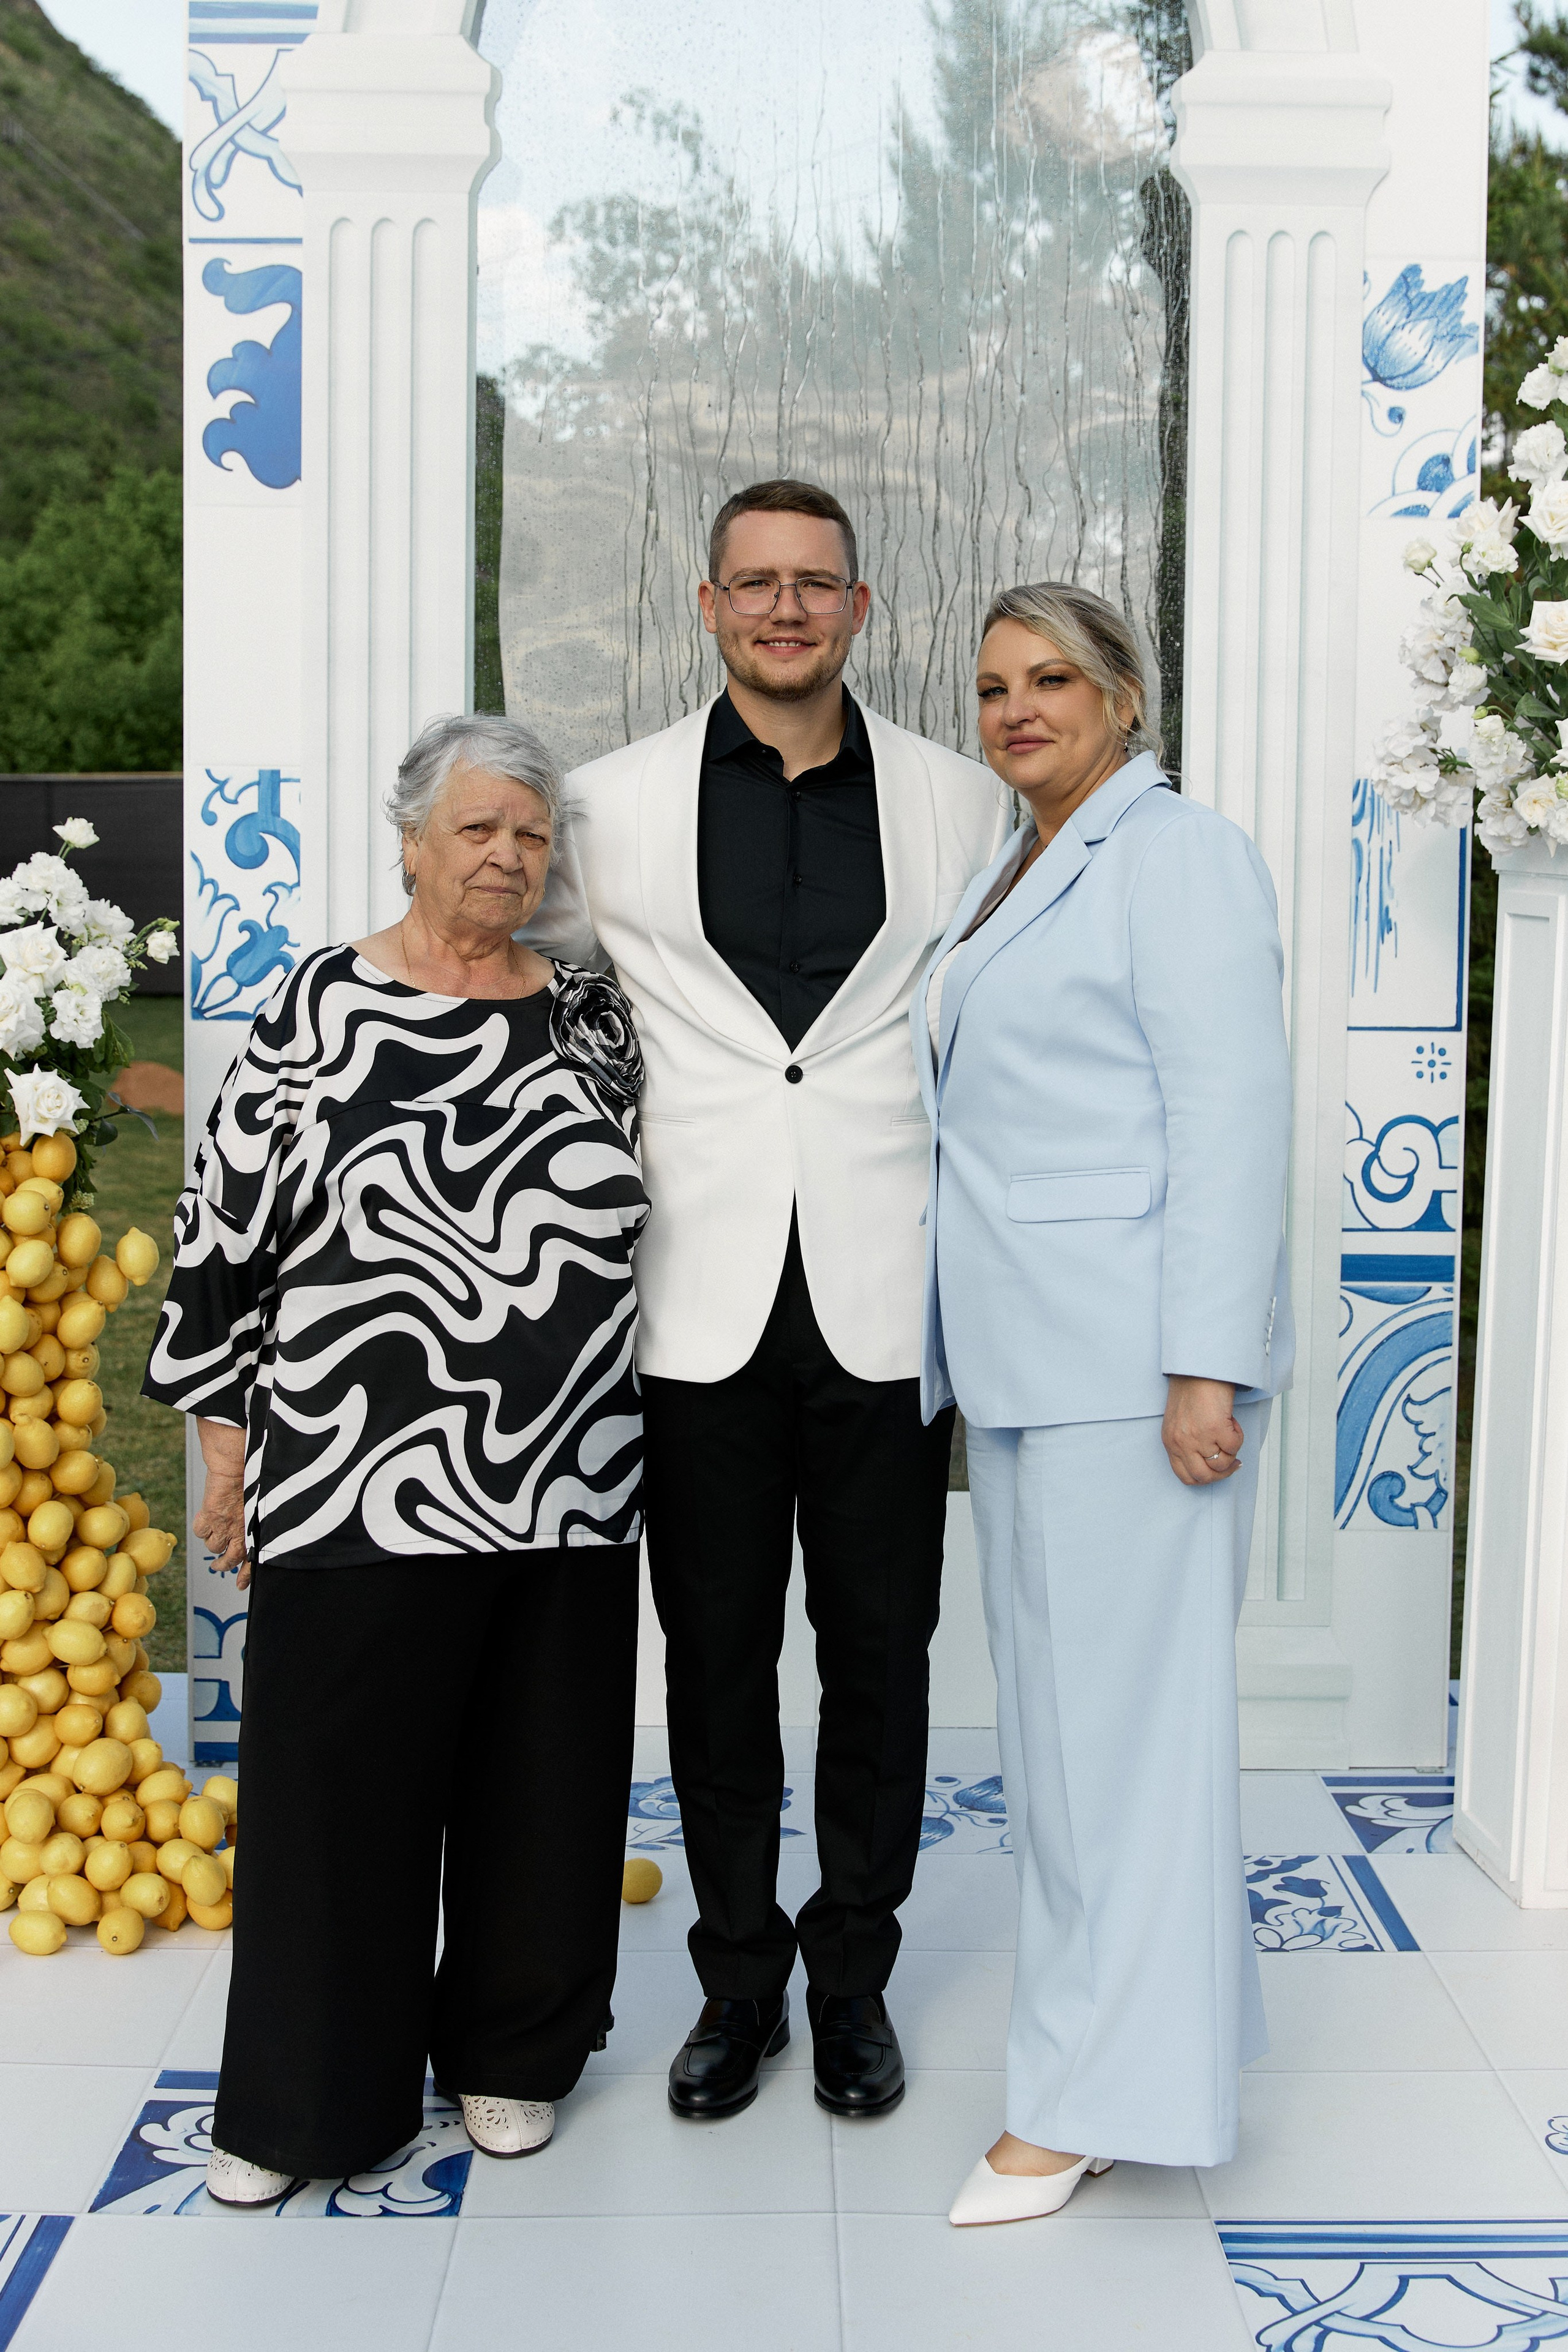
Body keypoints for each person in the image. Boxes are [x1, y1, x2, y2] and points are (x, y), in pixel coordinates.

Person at [523, 479, 1009, 2122]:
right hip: (697, 1304)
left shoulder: (960, 800)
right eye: (757, 585)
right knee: (716, 1662)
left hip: (889, 1299)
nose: (786, 609)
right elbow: (539, 995)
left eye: (817, 586)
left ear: (862, 610)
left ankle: (854, 1978)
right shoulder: (606, 805)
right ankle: (739, 1989)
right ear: (710, 606)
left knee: (884, 1664)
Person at [145, 714, 648, 2204]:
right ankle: (304, 2105)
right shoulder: (316, 1004)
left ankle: (510, 2054)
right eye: (477, 828)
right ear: (413, 837)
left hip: (568, 1467)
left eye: (530, 834)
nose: (505, 856)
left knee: (543, 1780)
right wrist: (228, 1450)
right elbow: (226, 1239)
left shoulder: (592, 1014)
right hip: (357, 1464)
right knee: (336, 1793)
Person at [912, 584, 1294, 2225]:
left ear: (1126, 697)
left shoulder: (1177, 854)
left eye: (1052, 679)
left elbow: (1232, 1117)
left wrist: (1205, 1363)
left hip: (1133, 1378)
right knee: (1081, 1750)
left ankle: (1082, 2102)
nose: (1017, 709)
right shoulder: (1023, 864)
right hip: (1031, 1362)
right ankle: (1156, 2055)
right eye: (995, 686)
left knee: (1112, 1754)